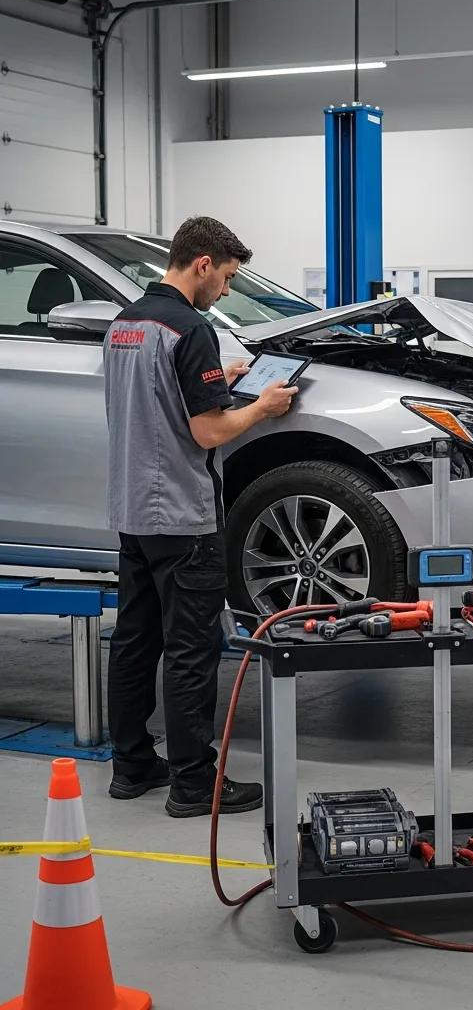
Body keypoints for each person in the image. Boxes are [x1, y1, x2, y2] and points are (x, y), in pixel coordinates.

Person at [103, 215, 297, 818]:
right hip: (183, 517)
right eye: (228, 277)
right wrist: (261, 407)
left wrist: (223, 379)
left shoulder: (126, 323)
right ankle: (192, 783)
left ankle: (132, 766)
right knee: (192, 648)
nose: (227, 292)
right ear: (203, 264)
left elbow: (159, 396)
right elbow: (208, 428)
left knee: (135, 641)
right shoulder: (191, 328)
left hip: (133, 511)